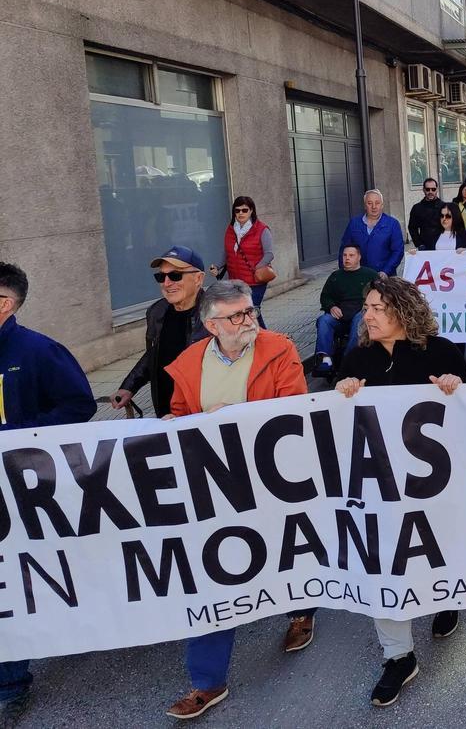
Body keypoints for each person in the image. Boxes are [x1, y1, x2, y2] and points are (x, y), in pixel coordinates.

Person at [162, 280, 310, 720]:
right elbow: (181, 410)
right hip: (213, 484)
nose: (250, 320)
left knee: (284, 554)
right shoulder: (188, 363)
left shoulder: (279, 349)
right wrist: (176, 420)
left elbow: (293, 411)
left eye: (250, 311)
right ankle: (206, 681)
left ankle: (300, 612)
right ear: (211, 325)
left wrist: (226, 419)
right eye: (238, 315)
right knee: (213, 572)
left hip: (271, 479)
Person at [332, 276, 466, 706]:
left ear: (403, 311)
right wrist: (342, 392)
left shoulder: (442, 351)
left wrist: (454, 386)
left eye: (376, 308)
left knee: (436, 549)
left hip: (431, 485)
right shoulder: (357, 357)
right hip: (378, 486)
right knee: (384, 562)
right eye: (366, 308)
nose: (367, 315)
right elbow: (334, 418)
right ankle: (398, 656)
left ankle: (447, 597)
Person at [0, 262, 96, 723]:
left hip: (27, 489)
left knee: (22, 579)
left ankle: (11, 682)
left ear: (5, 304)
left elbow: (79, 404)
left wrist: (19, 436)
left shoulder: (38, 351)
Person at [111, 245, 209, 417]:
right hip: (164, 411)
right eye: (161, 277)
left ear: (198, 279)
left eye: (175, 275)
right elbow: (154, 354)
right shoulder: (157, 311)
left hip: (203, 410)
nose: (167, 283)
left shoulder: (218, 312)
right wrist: (129, 387)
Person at [312, 242, 378, 376]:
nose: (347, 258)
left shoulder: (370, 275)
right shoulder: (335, 276)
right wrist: (331, 306)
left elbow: (380, 296)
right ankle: (324, 360)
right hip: (339, 316)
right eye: (344, 255)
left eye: (351, 255)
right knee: (323, 320)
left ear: (359, 257)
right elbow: (325, 296)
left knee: (360, 318)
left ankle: (348, 359)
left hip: (360, 313)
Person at [210, 195, 274, 327]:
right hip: (235, 281)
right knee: (248, 311)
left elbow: (269, 254)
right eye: (237, 210)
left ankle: (265, 339)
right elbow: (226, 252)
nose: (240, 213)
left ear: (251, 211)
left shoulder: (262, 229)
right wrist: (217, 266)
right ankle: (258, 338)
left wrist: (257, 267)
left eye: (244, 210)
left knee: (252, 309)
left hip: (255, 281)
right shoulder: (231, 229)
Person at [340, 189, 406, 277]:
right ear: (365, 206)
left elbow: (398, 251)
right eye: (369, 203)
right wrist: (343, 271)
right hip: (359, 275)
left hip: (384, 276)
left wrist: (386, 271)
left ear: (382, 205)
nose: (374, 206)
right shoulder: (354, 223)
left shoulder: (392, 224)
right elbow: (344, 248)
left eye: (377, 203)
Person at [407, 178, 445, 251]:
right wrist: (419, 244)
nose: (430, 192)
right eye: (428, 189)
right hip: (425, 247)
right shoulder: (417, 208)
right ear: (423, 190)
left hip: (442, 246)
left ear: (436, 190)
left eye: (433, 189)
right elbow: (412, 228)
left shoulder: (444, 206)